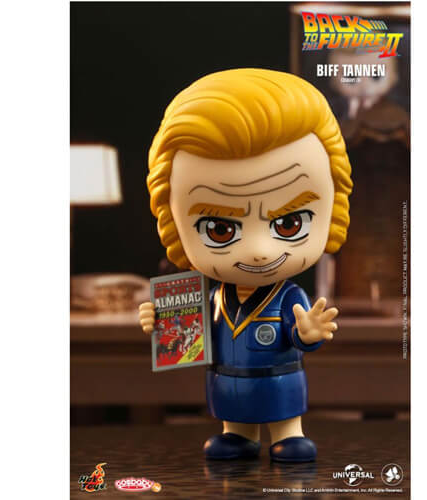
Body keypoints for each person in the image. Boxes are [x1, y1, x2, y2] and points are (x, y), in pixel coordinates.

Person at [139, 68, 352, 462]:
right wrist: (165, 322)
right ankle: (238, 434)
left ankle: (288, 433)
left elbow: (302, 334)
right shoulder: (216, 298)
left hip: (279, 384)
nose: (259, 250)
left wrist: (308, 334)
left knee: (284, 419)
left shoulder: (289, 296)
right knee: (233, 422)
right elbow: (189, 335)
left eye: (289, 224)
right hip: (227, 384)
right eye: (220, 229)